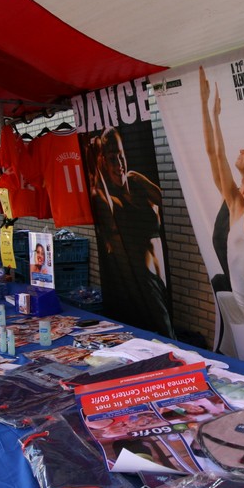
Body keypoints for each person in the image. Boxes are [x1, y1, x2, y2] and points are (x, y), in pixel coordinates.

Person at [199, 67, 244, 339]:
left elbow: (218, 154)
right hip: (234, 288)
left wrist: (213, 114)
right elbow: (212, 153)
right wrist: (208, 108)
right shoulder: (234, 197)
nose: (240, 151)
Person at [89, 127, 175, 338]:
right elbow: (103, 201)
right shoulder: (109, 199)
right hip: (143, 282)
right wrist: (96, 168)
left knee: (167, 333)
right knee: (165, 335)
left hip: (161, 280)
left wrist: (136, 179)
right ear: (102, 162)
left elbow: (162, 200)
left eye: (121, 156)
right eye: (112, 159)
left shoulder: (136, 182)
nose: (119, 164)